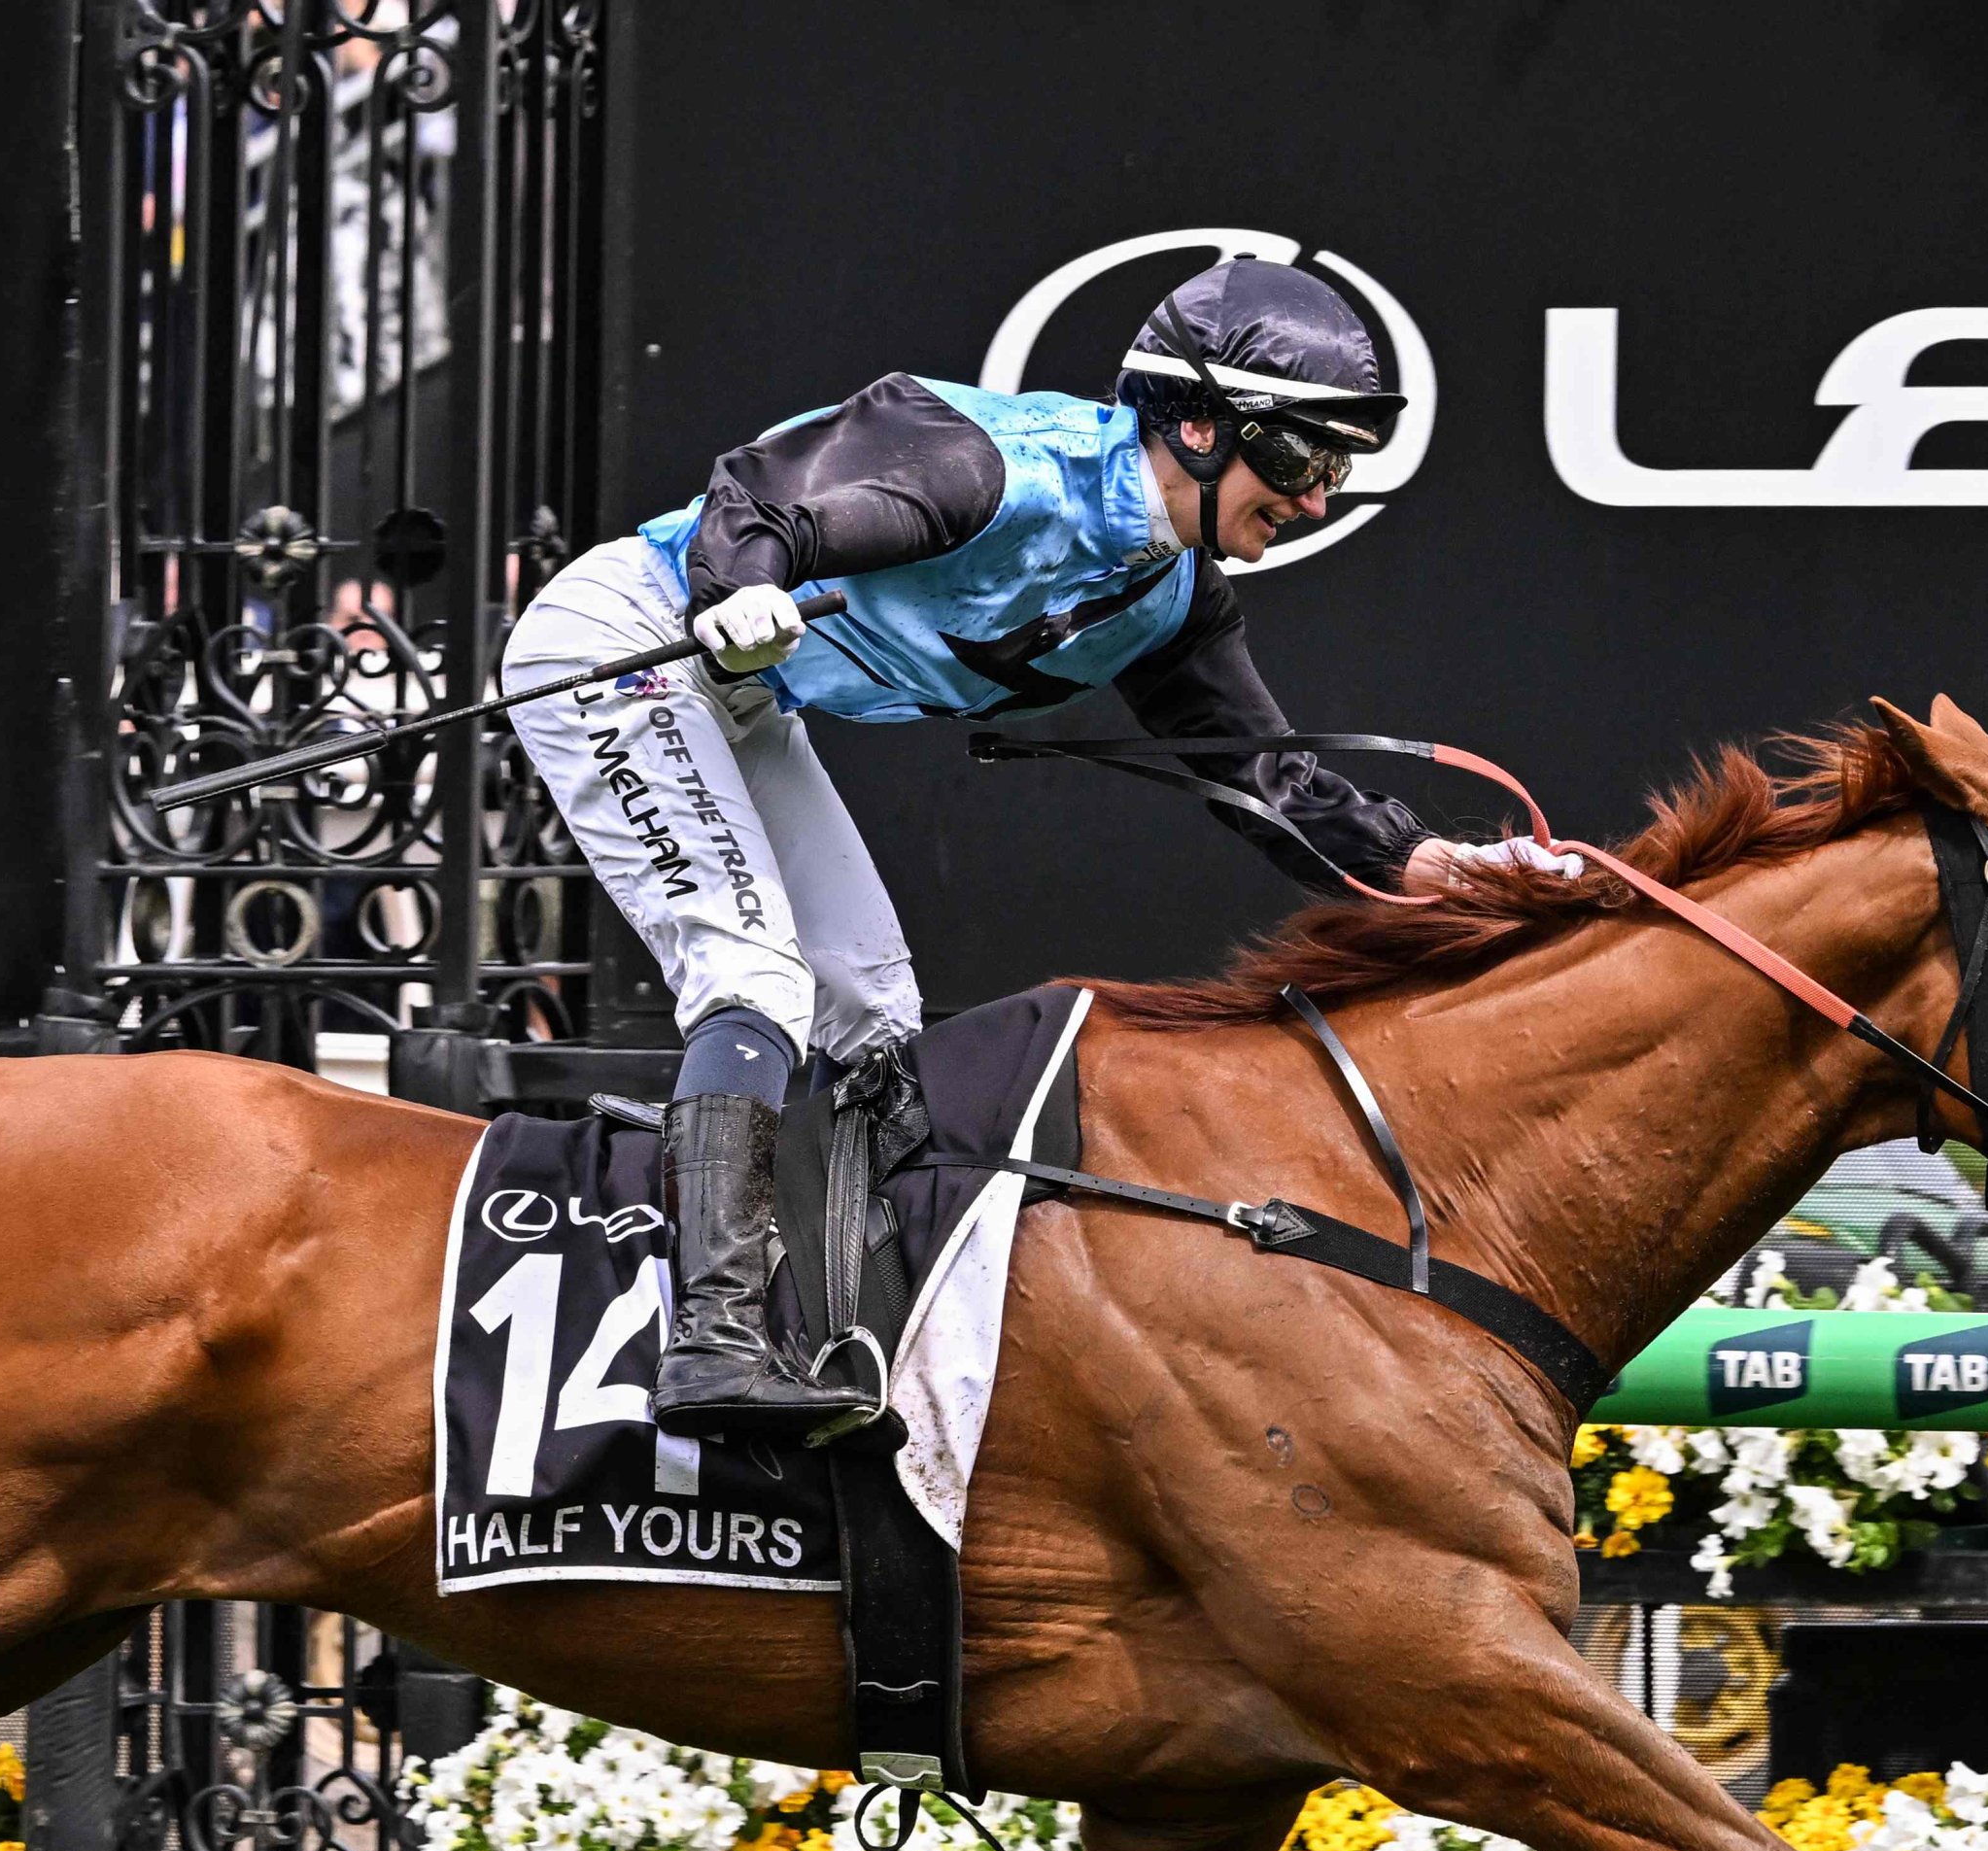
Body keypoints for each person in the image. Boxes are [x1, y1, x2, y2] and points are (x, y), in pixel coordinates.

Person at [504, 255, 1578, 1440]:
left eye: (1338, 472)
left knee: (872, 1012)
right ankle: (714, 1344)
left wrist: (1444, 870)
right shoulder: (992, 465)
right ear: (1201, 424)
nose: (1316, 500)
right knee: (751, 973)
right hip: (632, 643)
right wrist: (743, 584)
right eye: (1301, 460)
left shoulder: (1171, 599)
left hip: (744, 697)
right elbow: (757, 502)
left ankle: (836, 1331)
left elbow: (1267, 784)